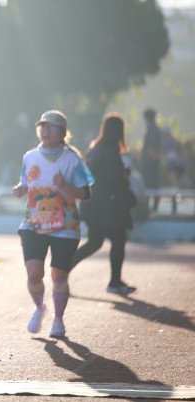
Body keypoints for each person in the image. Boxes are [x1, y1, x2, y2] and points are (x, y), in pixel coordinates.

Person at [12, 110, 93, 338]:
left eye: (51, 127)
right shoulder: (29, 156)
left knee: (58, 276)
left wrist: (65, 186)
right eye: (42, 126)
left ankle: (58, 319)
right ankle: (40, 308)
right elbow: (26, 182)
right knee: (34, 273)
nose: (45, 131)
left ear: (62, 133)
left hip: (65, 226)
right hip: (34, 223)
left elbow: (86, 193)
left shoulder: (72, 159)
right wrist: (21, 189)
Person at [70, 113, 136, 295]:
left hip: (93, 204)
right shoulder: (111, 150)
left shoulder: (95, 148)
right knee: (118, 240)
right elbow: (115, 178)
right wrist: (125, 176)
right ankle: (115, 282)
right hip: (110, 207)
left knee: (94, 242)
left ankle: (63, 269)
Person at [141, 107, 161, 211]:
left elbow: (153, 146)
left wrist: (148, 159)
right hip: (151, 160)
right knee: (152, 182)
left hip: (150, 161)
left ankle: (153, 204)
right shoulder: (153, 128)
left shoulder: (152, 129)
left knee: (150, 182)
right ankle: (152, 204)